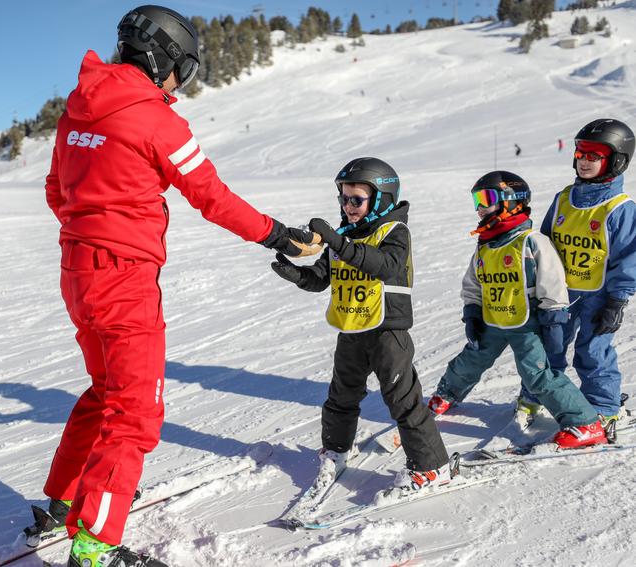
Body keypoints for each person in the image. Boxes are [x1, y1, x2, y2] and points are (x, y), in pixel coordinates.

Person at [37, 6, 314, 566]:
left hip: (77, 271)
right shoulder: (155, 119)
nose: (178, 84)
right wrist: (278, 235)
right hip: (124, 277)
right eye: (181, 70)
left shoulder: (76, 113)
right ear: (162, 59)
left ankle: (66, 501)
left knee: (105, 389)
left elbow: (55, 191)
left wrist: (94, 225)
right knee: (135, 411)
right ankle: (94, 546)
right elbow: (212, 196)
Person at [271, 157, 454, 492]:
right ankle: (337, 450)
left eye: (357, 199)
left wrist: (338, 243)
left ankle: (432, 467)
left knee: (402, 399)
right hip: (352, 328)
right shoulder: (344, 236)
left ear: (380, 199)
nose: (348, 206)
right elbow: (322, 277)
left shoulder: (395, 232)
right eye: (344, 198)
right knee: (341, 395)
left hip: (388, 330)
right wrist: (299, 275)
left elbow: (384, 265)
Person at [426, 171, 606, 449]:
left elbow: (554, 285)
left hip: (527, 324)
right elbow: (473, 283)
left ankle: (585, 422)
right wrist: (473, 312)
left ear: (512, 201)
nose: (479, 207)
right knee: (471, 359)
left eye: (486, 199)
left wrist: (554, 323)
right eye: (477, 200)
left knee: (537, 374)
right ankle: (446, 393)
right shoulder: (486, 245)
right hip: (494, 320)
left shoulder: (532, 242)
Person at [521, 119, 636, 441]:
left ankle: (603, 406)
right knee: (547, 348)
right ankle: (538, 395)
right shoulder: (564, 199)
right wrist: (533, 282)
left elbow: (629, 257)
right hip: (558, 293)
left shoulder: (620, 208)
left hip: (598, 296)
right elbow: (544, 243)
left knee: (592, 352)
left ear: (616, 161)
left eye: (594, 154)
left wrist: (617, 299)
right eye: (581, 152)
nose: (584, 160)